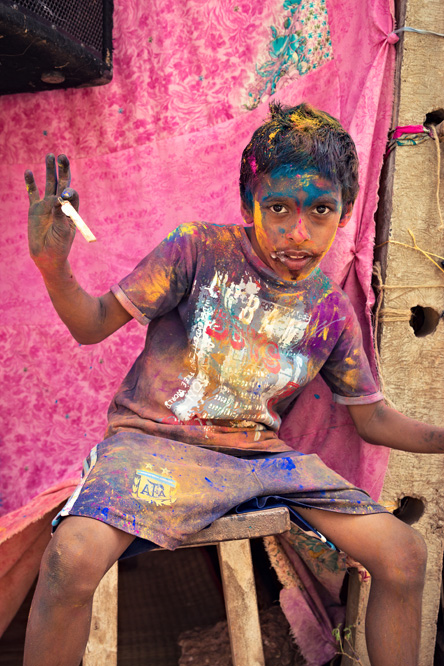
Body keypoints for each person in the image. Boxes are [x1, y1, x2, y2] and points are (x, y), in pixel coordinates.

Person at [23, 102, 442, 666]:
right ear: (249, 204)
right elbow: (91, 324)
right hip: (154, 445)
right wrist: (53, 267)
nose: (298, 232)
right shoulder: (196, 249)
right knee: (69, 559)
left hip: (260, 460)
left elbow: (373, 419)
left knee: (405, 554)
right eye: (278, 208)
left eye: (321, 209)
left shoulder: (330, 310)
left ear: (344, 213)